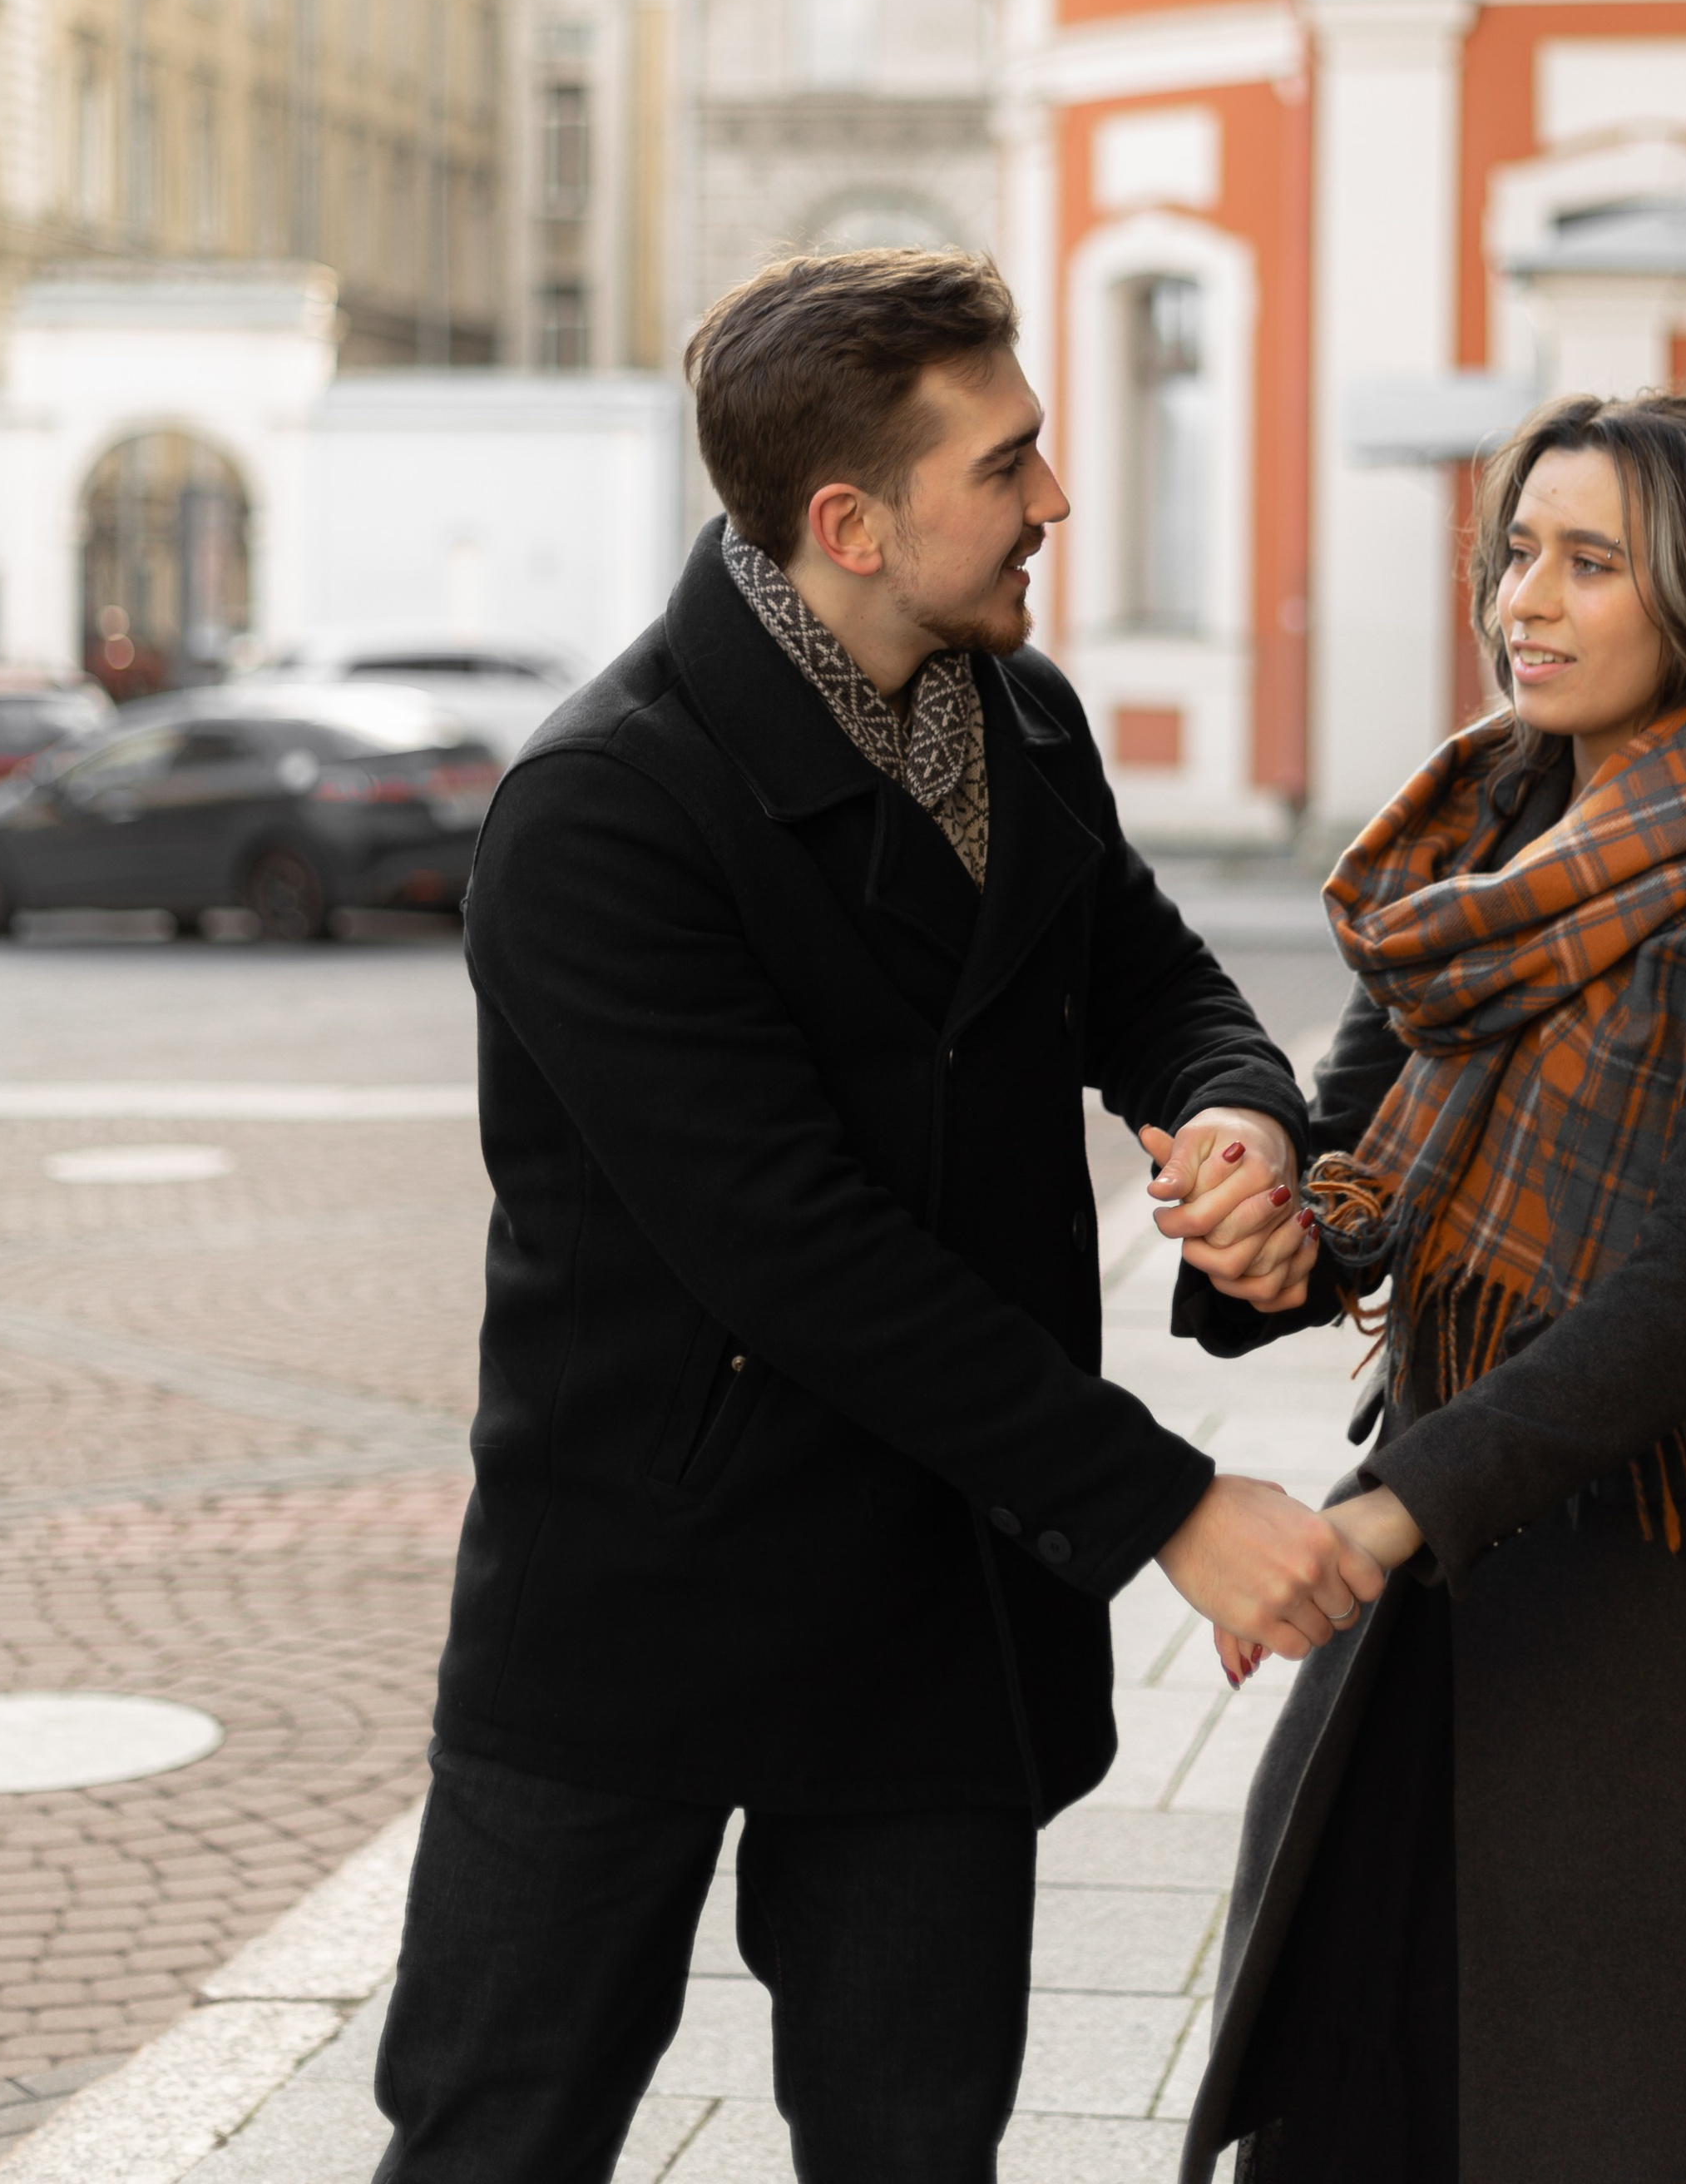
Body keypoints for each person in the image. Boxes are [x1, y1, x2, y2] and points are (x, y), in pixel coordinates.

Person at [370, 247, 1378, 2184]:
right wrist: (1168, 1507)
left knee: (913, 2147)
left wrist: (1234, 1120)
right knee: (497, 2138)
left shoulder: (1019, 717)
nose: (1052, 500)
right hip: (637, 1597)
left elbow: (1151, 978)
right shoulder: (602, 807)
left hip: (936, 1598)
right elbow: (796, 1250)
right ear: (847, 523)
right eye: (1004, 467)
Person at [1164, 390, 1686, 2184]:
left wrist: (1383, 1515)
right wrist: (1268, 1232)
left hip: (1670, 1600)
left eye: (1588, 563)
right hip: (1440, 1572)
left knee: (1650, 2112)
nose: (1521, 603)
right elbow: (1357, 1149)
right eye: (1515, 554)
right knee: (1368, 2083)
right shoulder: (1490, 816)